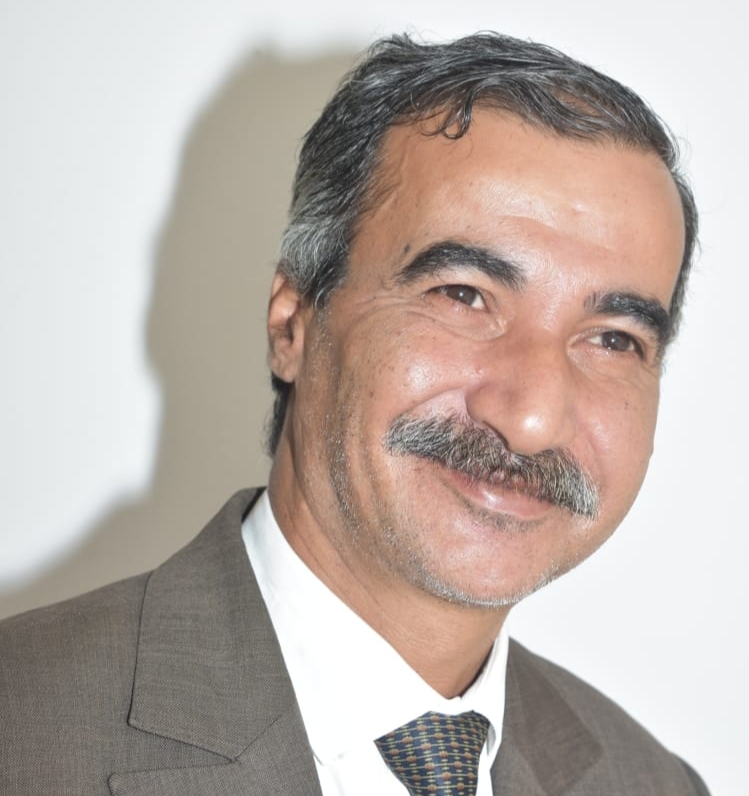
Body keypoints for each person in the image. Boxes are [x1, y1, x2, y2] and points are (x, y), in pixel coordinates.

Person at [0, 32, 708, 796]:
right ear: (292, 322)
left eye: (612, 338)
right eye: (462, 295)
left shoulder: (653, 784)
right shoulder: (24, 734)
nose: (532, 418)